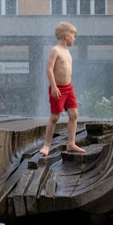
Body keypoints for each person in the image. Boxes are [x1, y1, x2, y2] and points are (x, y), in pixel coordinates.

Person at [39, 21, 86, 157]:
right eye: (73, 35)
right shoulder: (56, 50)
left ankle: (71, 144)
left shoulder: (67, 51)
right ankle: (47, 145)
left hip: (68, 88)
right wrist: (53, 86)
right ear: (66, 36)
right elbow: (49, 69)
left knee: (74, 114)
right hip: (58, 88)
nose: (74, 39)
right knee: (54, 117)